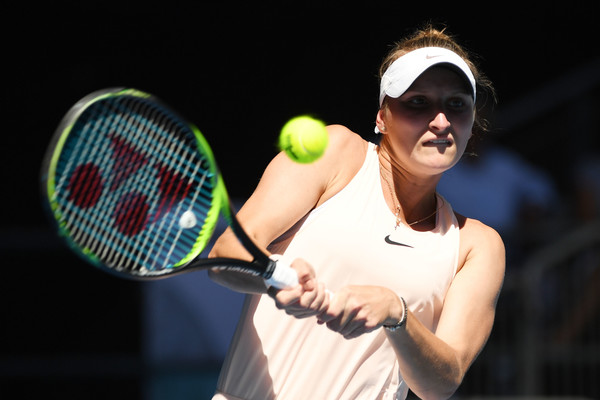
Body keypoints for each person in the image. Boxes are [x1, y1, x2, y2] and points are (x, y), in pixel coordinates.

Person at [208, 25, 505, 400]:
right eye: (418, 102)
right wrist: (274, 278)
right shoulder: (336, 152)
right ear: (382, 116)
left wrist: (396, 314)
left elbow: (442, 382)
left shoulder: (478, 245)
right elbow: (225, 255)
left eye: (456, 104)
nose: (441, 121)